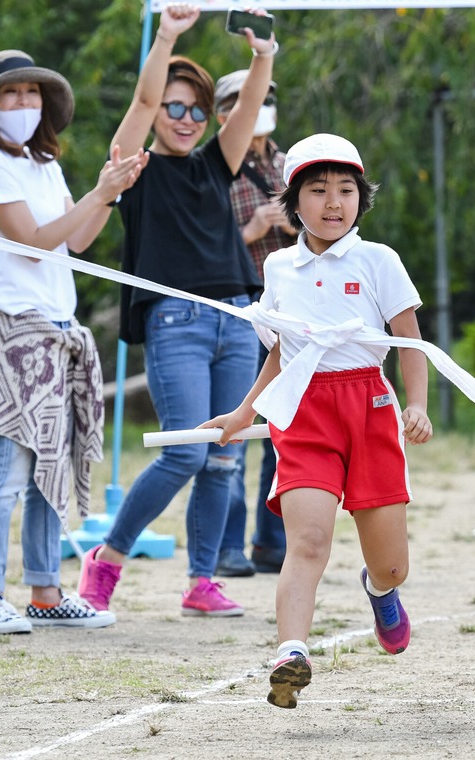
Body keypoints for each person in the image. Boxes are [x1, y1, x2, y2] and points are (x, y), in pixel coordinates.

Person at [202, 133, 433, 708]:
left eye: (346, 190)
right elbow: (284, 352)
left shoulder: (379, 260)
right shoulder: (280, 266)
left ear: (361, 199)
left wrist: (417, 405)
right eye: (319, 190)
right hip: (304, 411)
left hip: (370, 408)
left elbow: (410, 341)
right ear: (293, 200)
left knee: (392, 565)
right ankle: (290, 653)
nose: (334, 202)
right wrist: (244, 412)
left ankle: (380, 590)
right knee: (306, 541)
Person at [76, 4, 276, 617]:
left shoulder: (218, 163)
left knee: (224, 458)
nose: (186, 119)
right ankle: (106, 559)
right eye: (175, 107)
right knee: (186, 451)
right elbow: (141, 103)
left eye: (196, 110)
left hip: (237, 319)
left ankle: (200, 582)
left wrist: (263, 52)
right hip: (176, 322)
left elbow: (248, 107)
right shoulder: (133, 169)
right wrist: (166, 35)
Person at [0, 49, 146, 633]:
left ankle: (45, 592)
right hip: (14, 329)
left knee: (52, 465)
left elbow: (79, 239)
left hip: (60, 328)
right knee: (9, 468)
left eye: (31, 93)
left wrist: (109, 192)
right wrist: (98, 193)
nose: (23, 102)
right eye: (10, 93)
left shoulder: (44, 165)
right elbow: (33, 242)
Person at [211, 68, 295, 578]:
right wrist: (252, 229)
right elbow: (204, 248)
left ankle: (272, 540)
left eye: (266, 99)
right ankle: (227, 546)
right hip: (242, 307)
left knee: (284, 426)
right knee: (238, 425)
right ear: (225, 113)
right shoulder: (215, 170)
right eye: (249, 101)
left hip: (293, 315)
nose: (260, 109)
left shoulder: (291, 166)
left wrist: (298, 226)